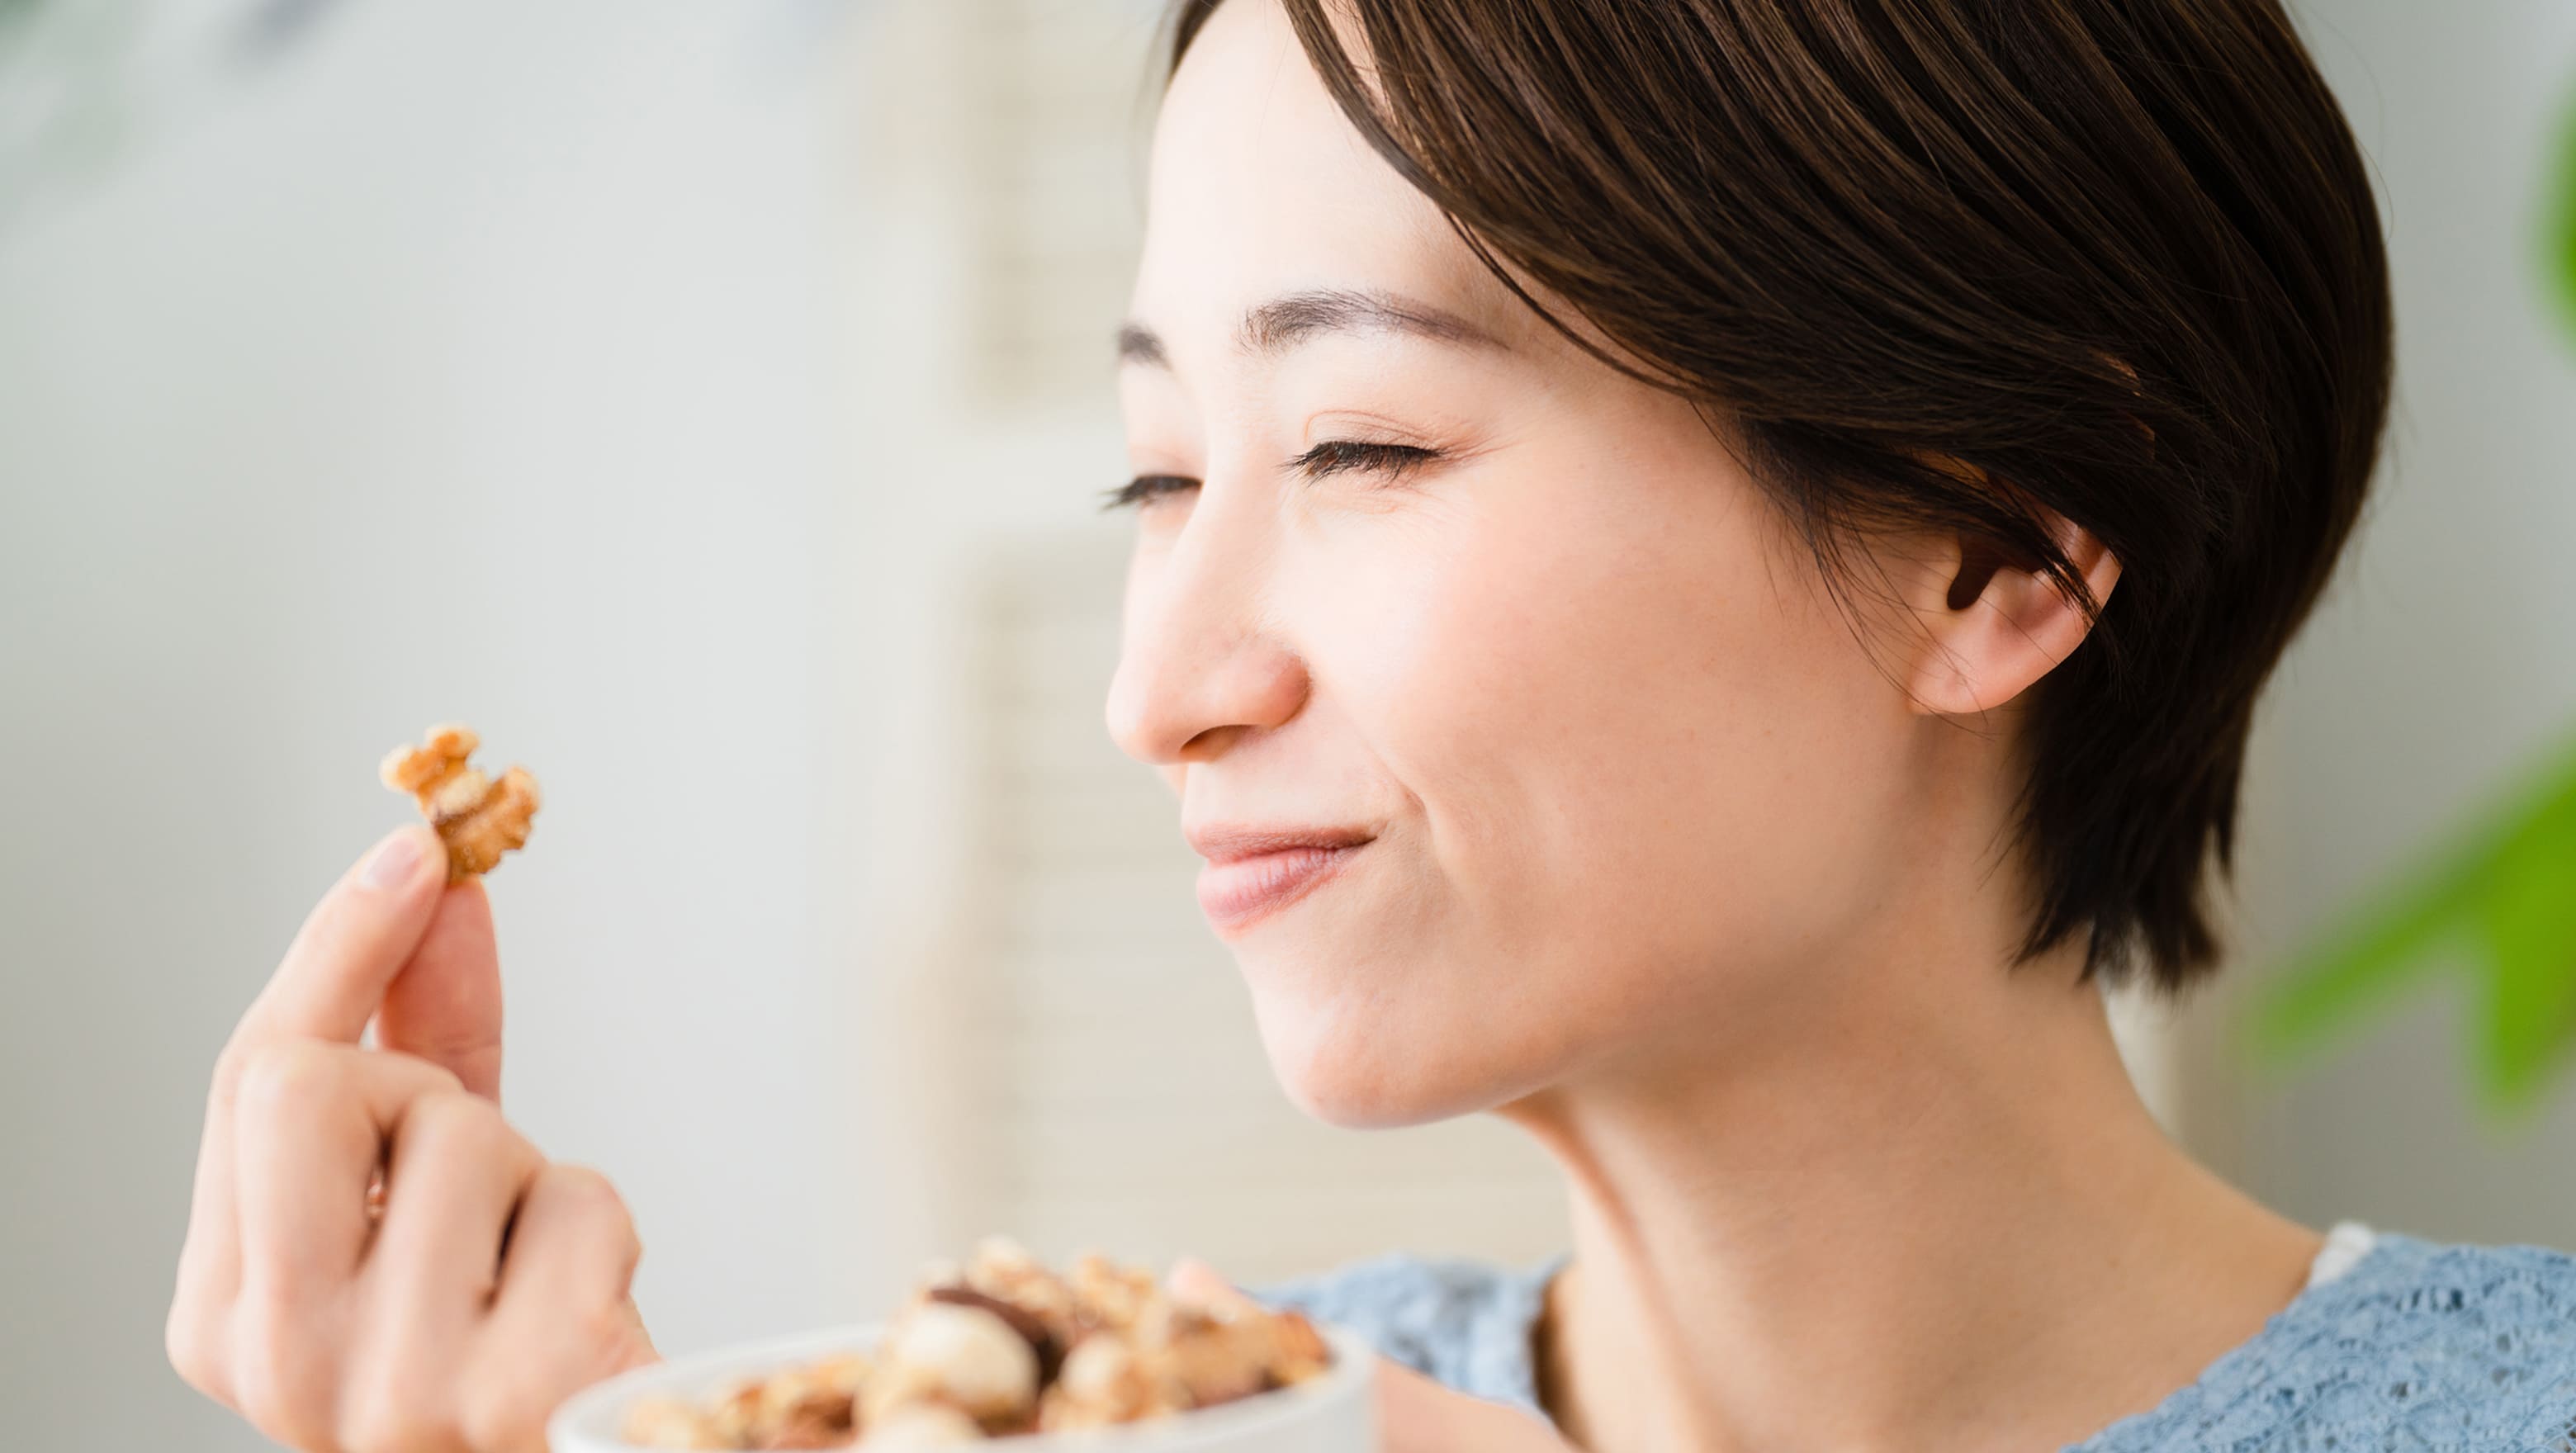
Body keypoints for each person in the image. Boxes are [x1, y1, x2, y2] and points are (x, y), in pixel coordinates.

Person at [165, 2, 2576, 1451]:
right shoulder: (1184, 1417)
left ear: (1996, 548)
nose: (1156, 691)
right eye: (1159, 475)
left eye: (1361, 451)